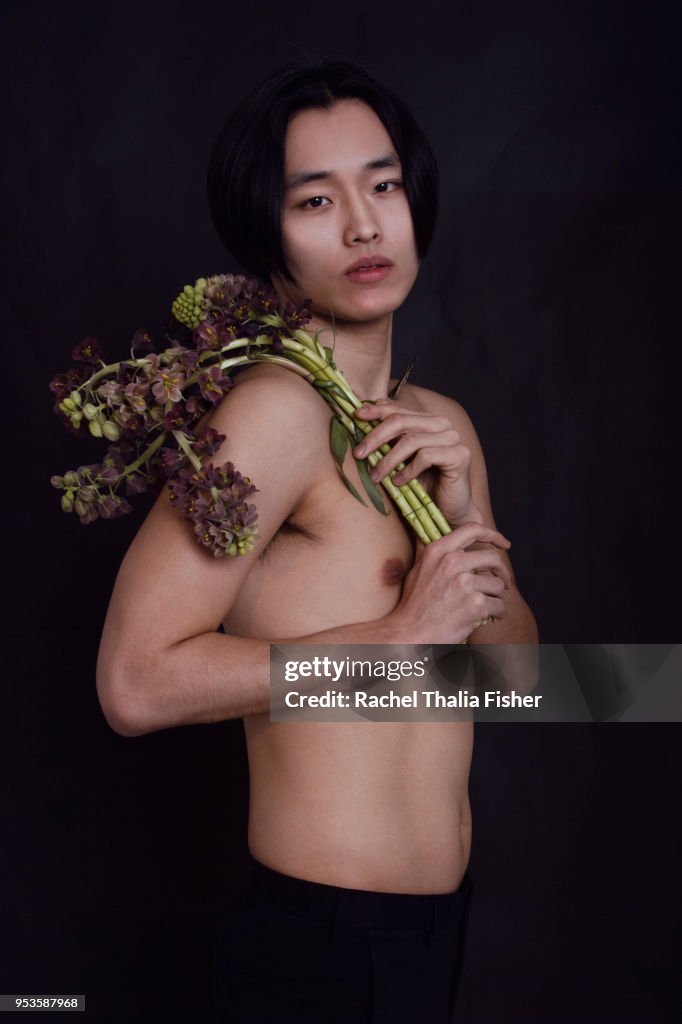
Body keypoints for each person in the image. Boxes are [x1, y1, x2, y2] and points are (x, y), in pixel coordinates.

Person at [96, 58, 538, 1023]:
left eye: (383, 186)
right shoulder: (271, 416)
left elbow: (520, 688)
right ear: (268, 236)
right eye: (315, 199)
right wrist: (390, 642)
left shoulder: (438, 422)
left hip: (433, 937)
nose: (365, 224)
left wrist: (464, 523)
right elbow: (134, 685)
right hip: (320, 946)